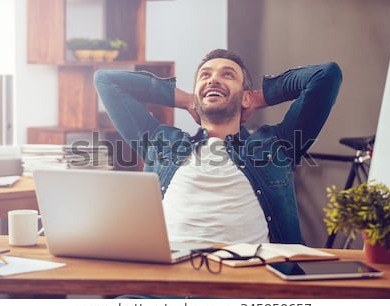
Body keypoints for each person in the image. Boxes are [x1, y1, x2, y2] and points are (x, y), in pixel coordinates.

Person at [94, 49, 342, 245]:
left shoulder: (277, 145)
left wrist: (259, 97)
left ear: (245, 96)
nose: (213, 79)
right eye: (205, 75)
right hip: (167, 289)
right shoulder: (162, 143)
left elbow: (326, 75)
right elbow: (105, 80)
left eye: (228, 74)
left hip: (250, 289)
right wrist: (185, 99)